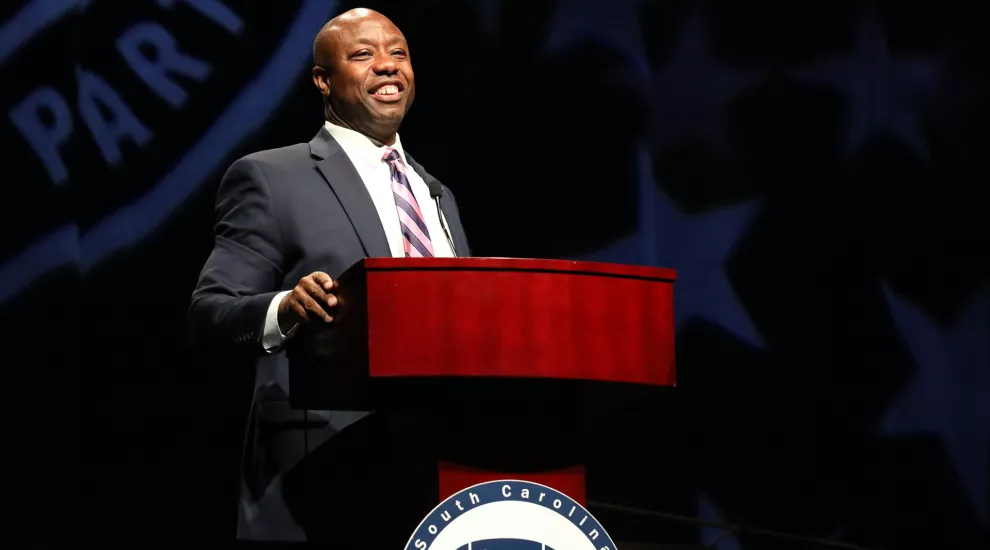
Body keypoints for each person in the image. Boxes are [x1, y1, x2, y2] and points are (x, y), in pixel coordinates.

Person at [187, 8, 471, 544]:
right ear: (323, 79)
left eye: (398, 53)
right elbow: (210, 314)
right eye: (363, 55)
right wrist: (286, 310)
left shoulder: (437, 194)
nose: (387, 66)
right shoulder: (272, 177)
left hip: (434, 483)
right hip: (320, 484)